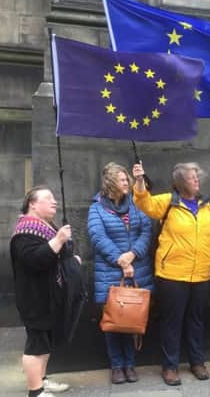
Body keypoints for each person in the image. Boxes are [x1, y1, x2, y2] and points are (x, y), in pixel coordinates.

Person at [132, 161, 210, 386]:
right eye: (192, 177)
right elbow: (144, 203)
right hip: (172, 274)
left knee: (196, 320)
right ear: (180, 182)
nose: (197, 180)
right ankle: (170, 366)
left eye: (197, 177)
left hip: (201, 273)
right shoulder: (168, 202)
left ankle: (196, 362)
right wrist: (140, 180)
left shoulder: (206, 205)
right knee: (172, 322)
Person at [10, 185, 80, 397]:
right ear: (32, 204)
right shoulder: (25, 231)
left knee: (45, 342)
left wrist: (70, 259)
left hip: (49, 296)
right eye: (48, 198)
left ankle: (42, 381)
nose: (54, 202)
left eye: (54, 198)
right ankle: (35, 391)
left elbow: (57, 256)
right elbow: (34, 260)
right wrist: (58, 240)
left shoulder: (45, 227)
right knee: (36, 345)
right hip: (35, 298)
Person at [87, 162, 153, 384]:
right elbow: (97, 237)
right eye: (123, 179)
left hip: (138, 270)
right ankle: (116, 366)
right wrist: (121, 260)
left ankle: (130, 364)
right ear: (110, 182)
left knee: (133, 318)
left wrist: (133, 254)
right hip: (110, 273)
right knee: (114, 321)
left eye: (127, 179)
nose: (127, 183)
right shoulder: (96, 208)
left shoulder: (136, 203)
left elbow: (146, 229)